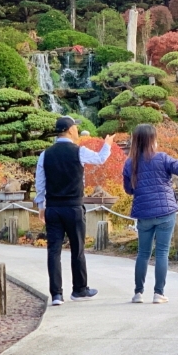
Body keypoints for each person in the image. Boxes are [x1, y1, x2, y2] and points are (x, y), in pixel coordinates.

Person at [35, 116, 114, 306]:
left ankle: (56, 294)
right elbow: (100, 158)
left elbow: (40, 183)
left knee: (53, 251)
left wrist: (41, 206)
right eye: (76, 128)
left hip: (53, 208)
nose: (77, 131)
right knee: (77, 249)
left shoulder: (45, 154)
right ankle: (79, 289)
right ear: (70, 130)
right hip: (74, 207)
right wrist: (107, 144)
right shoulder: (79, 151)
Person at [123, 124, 178, 304]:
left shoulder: (130, 163)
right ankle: (158, 294)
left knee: (143, 253)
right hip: (165, 212)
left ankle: (138, 293)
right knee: (161, 253)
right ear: (153, 140)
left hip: (143, 213)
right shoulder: (162, 158)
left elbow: (129, 189)